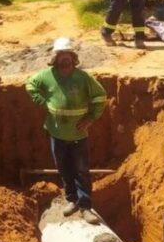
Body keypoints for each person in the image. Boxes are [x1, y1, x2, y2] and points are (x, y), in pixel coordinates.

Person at [25, 37, 107, 224]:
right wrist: (41, 101)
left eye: (68, 54)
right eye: (61, 55)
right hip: (57, 134)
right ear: (55, 57)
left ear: (73, 57)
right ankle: (72, 200)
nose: (65, 58)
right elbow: (30, 85)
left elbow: (100, 96)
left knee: (81, 171)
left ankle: (85, 207)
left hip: (79, 135)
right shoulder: (46, 75)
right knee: (64, 169)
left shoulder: (83, 78)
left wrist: (90, 119)